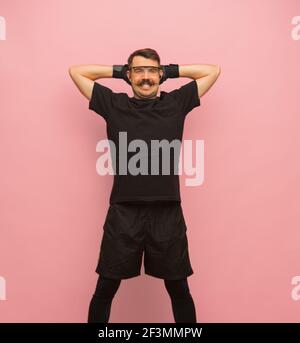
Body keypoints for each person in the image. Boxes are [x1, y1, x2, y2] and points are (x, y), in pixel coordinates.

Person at [69, 48, 220, 323]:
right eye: (138, 71)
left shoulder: (175, 102)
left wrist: (169, 71)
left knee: (179, 289)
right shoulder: (114, 104)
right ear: (129, 76)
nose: (146, 78)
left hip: (167, 212)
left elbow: (213, 71)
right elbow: (76, 72)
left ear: (160, 75)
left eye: (152, 71)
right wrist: (121, 71)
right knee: (105, 287)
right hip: (124, 212)